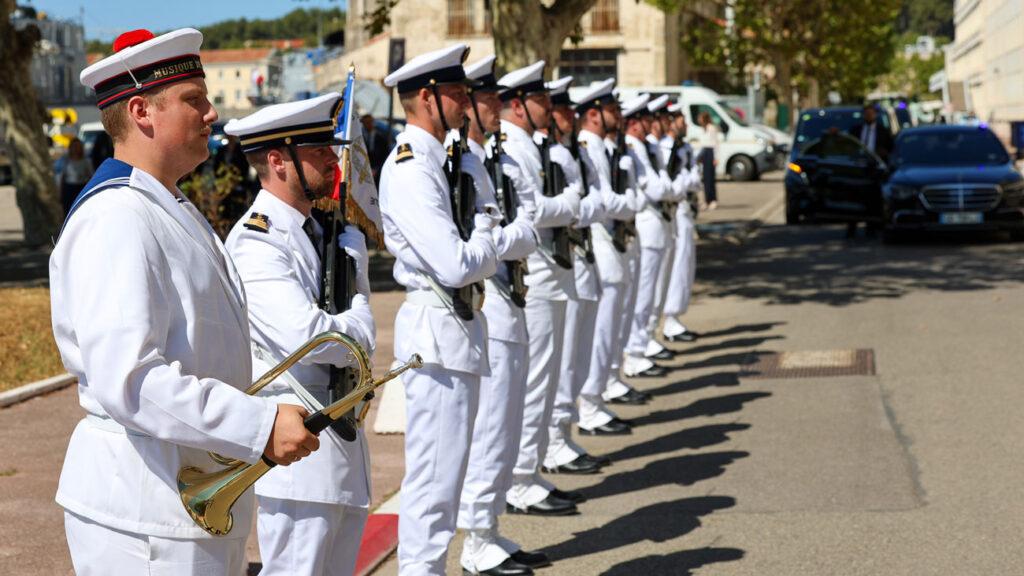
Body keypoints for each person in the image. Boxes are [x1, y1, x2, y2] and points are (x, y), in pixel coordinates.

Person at [53, 28, 317, 575]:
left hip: (176, 496)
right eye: (194, 100)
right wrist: (258, 425)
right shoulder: (117, 216)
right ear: (141, 111)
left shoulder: (165, 203)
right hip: (143, 509)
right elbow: (131, 379)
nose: (212, 113)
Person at [223, 94, 377, 576]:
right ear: (277, 161)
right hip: (298, 454)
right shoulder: (256, 240)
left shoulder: (316, 232)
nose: (334, 160)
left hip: (336, 438)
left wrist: (357, 271)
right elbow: (314, 340)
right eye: (318, 151)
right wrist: (362, 314)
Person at [379, 44, 500, 575]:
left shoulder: (446, 159)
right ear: (427, 98)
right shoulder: (410, 167)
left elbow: (479, 235)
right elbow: (455, 263)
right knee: (433, 483)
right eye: (455, 93)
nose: (465, 102)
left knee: (446, 481)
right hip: (436, 332)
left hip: (456, 329)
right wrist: (490, 241)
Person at [457, 54, 549, 576]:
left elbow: (525, 224)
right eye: (489, 98)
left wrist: (504, 237)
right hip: (484, 310)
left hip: (508, 301)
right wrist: (506, 238)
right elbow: (488, 239)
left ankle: (489, 528)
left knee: (506, 423)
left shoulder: (487, 160)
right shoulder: (459, 166)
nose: (499, 107)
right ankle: (475, 540)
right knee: (491, 427)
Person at [497, 60, 586, 519]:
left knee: (544, 378)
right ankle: (520, 479)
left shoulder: (532, 145)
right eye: (541, 100)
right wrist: (571, 202)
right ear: (519, 105)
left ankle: (528, 472)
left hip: (548, 273)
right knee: (534, 382)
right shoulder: (514, 147)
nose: (549, 108)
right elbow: (531, 212)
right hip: (535, 276)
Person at [541, 75, 612, 476]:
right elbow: (582, 207)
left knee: (574, 359)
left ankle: (562, 436)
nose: (570, 116)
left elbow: (595, 204)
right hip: (557, 268)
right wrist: (579, 205)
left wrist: (580, 206)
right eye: (563, 109)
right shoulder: (551, 154)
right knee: (562, 362)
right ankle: (552, 442)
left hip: (577, 263)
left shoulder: (568, 152)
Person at [575, 79, 643, 435]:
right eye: (612, 109)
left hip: (611, 244)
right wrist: (630, 203)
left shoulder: (603, 147)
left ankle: (598, 395)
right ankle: (589, 404)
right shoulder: (590, 145)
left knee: (609, 329)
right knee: (599, 333)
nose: (618, 115)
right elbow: (604, 201)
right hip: (600, 246)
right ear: (594, 114)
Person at [656, 101, 702, 344]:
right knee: (675, 264)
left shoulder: (682, 146)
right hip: (673, 211)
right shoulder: (664, 148)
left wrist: (687, 180)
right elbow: (678, 182)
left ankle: (675, 316)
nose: (684, 121)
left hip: (684, 208)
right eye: (679, 117)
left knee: (685, 264)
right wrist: (686, 181)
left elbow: (695, 179)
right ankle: (670, 319)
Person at [58, 137, 93, 216]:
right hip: (68, 189)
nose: (76, 149)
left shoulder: (86, 161)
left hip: (81, 188)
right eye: (74, 146)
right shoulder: (65, 161)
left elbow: (91, 176)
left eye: (78, 147)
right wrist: (60, 193)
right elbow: (62, 177)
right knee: (68, 211)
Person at [696, 110, 719, 210]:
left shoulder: (711, 128)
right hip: (704, 152)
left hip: (710, 152)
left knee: (710, 178)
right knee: (705, 178)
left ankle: (712, 199)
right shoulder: (703, 129)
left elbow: (716, 143)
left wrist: (716, 158)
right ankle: (706, 200)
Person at [360, 112, 389, 184]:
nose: (368, 124)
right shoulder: (360, 138)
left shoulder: (381, 138)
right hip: (364, 170)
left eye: (369, 122)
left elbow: (385, 155)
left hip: (378, 171)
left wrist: (376, 169)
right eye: (366, 123)